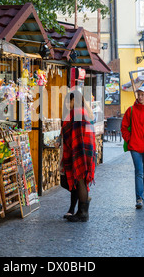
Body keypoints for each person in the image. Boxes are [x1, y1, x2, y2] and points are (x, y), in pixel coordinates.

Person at [59, 89, 96, 222]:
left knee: (80, 180)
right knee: (81, 181)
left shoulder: (76, 114)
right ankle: (81, 209)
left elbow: (71, 134)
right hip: (86, 151)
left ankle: (83, 213)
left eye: (70, 100)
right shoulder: (84, 112)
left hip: (79, 151)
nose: (68, 104)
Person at [121, 86, 144, 209]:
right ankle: (139, 198)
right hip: (135, 146)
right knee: (139, 172)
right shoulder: (130, 110)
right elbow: (124, 127)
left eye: (143, 95)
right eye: (139, 94)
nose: (140, 97)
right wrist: (129, 139)